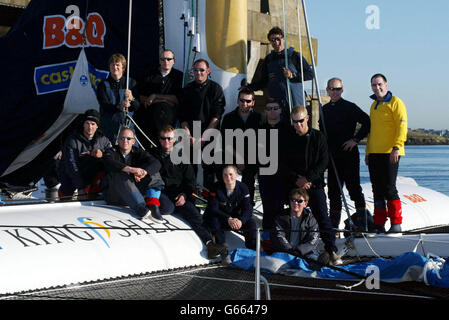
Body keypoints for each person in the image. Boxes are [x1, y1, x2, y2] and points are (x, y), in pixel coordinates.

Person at [151, 125, 228, 259]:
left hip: (178, 195)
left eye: (169, 139)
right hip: (161, 192)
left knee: (194, 213)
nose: (166, 142)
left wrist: (184, 194)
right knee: (168, 208)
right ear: (159, 139)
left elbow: (190, 181)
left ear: (174, 139)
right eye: (163, 139)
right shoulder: (152, 155)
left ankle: (210, 244)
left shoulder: (182, 157)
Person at [281, 105, 342, 266]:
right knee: (289, 217)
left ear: (307, 118)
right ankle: (290, 250)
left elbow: (324, 162)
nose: (298, 125)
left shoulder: (318, 137)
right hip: (294, 185)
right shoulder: (288, 138)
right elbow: (283, 163)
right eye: (294, 122)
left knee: (323, 217)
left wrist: (308, 178)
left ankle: (331, 250)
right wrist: (297, 179)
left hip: (314, 185)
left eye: (300, 121)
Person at [321, 77, 371, 230]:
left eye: (338, 89)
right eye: (332, 89)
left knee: (354, 188)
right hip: (332, 157)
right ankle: (334, 227)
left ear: (342, 90)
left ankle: (364, 223)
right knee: (334, 192)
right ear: (328, 90)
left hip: (349, 155)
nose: (335, 92)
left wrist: (355, 140)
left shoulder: (350, 107)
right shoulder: (325, 109)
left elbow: (367, 122)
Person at [366, 74, 408, 233]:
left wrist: (397, 147)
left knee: (389, 188)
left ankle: (396, 224)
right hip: (375, 153)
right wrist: (368, 152)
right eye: (374, 85)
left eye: (380, 84)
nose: (377, 88)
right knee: (377, 189)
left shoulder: (396, 102)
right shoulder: (374, 105)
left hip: (391, 152)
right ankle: (379, 224)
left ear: (386, 85)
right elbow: (372, 131)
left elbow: (402, 126)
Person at [102, 127, 170, 224]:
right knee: (120, 174)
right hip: (115, 194)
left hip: (134, 192)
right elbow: (109, 162)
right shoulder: (111, 151)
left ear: (133, 141)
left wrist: (144, 173)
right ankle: (140, 208)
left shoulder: (138, 152)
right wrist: (131, 169)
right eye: (122, 138)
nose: (125, 141)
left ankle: (153, 204)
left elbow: (156, 163)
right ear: (118, 140)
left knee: (167, 207)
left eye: (129, 139)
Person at [247, 26, 313, 120]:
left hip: (295, 105)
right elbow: (264, 82)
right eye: (272, 40)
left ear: (283, 39)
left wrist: (293, 75)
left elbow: (310, 74)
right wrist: (249, 87)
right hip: (277, 108)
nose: (276, 42)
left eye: (278, 39)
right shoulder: (268, 60)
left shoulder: (294, 56)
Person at [179, 59, 226, 191]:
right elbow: (182, 115)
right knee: (189, 167)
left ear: (208, 71)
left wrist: (204, 137)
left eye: (201, 70)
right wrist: (188, 134)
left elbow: (217, 115)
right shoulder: (187, 89)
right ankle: (190, 195)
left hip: (210, 132)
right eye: (196, 70)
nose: (198, 73)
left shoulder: (215, 89)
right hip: (191, 133)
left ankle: (208, 197)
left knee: (209, 167)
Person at [204, 165, 258, 264]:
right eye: (225, 175)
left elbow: (248, 208)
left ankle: (253, 250)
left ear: (236, 175)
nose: (228, 178)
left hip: (236, 219)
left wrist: (241, 220)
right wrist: (228, 218)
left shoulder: (243, 188)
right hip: (221, 218)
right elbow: (213, 208)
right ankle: (223, 250)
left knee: (251, 223)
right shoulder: (216, 188)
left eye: (231, 174)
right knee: (214, 220)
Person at [220, 87, 265, 203]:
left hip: (252, 156)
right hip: (233, 154)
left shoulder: (260, 118)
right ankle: (226, 202)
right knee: (224, 170)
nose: (245, 104)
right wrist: (238, 158)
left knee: (250, 175)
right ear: (237, 101)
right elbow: (225, 142)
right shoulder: (229, 118)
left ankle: (247, 205)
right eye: (242, 100)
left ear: (253, 102)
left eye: (248, 101)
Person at [134, 49, 183, 149]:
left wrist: (155, 96)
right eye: (163, 59)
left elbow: (177, 99)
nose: (166, 62)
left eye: (169, 59)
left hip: (169, 118)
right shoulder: (149, 75)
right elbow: (142, 97)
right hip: (149, 116)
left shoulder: (179, 77)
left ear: (174, 61)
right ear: (159, 61)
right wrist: (163, 100)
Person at [58, 109, 112, 200]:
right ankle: (64, 195)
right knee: (67, 190)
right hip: (72, 173)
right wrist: (81, 187)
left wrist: (103, 154)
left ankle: (94, 192)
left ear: (97, 126)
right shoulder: (73, 140)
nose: (90, 127)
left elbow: (113, 156)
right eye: (87, 123)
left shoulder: (103, 139)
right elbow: (71, 166)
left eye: (93, 124)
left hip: (91, 173)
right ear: (83, 124)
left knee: (104, 166)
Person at [257, 98, 290, 230]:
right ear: (265, 111)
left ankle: (279, 235)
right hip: (265, 173)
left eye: (275, 108)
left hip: (282, 174)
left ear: (280, 110)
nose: (272, 111)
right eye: (269, 109)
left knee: (279, 207)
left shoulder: (288, 129)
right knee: (267, 206)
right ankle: (266, 237)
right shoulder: (260, 129)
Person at [97, 53, 140, 144]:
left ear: (123, 68)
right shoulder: (103, 85)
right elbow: (104, 105)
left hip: (127, 127)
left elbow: (136, 106)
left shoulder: (131, 83)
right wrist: (119, 106)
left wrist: (131, 99)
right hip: (109, 128)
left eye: (117, 65)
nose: (115, 67)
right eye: (112, 65)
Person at [270, 188, 320, 260]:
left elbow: (313, 240)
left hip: (305, 253)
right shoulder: (281, 217)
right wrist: (290, 251)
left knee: (314, 261)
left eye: (299, 201)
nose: (295, 203)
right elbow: (278, 236)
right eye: (293, 200)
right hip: (285, 252)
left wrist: (299, 251)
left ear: (305, 204)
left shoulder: (311, 219)